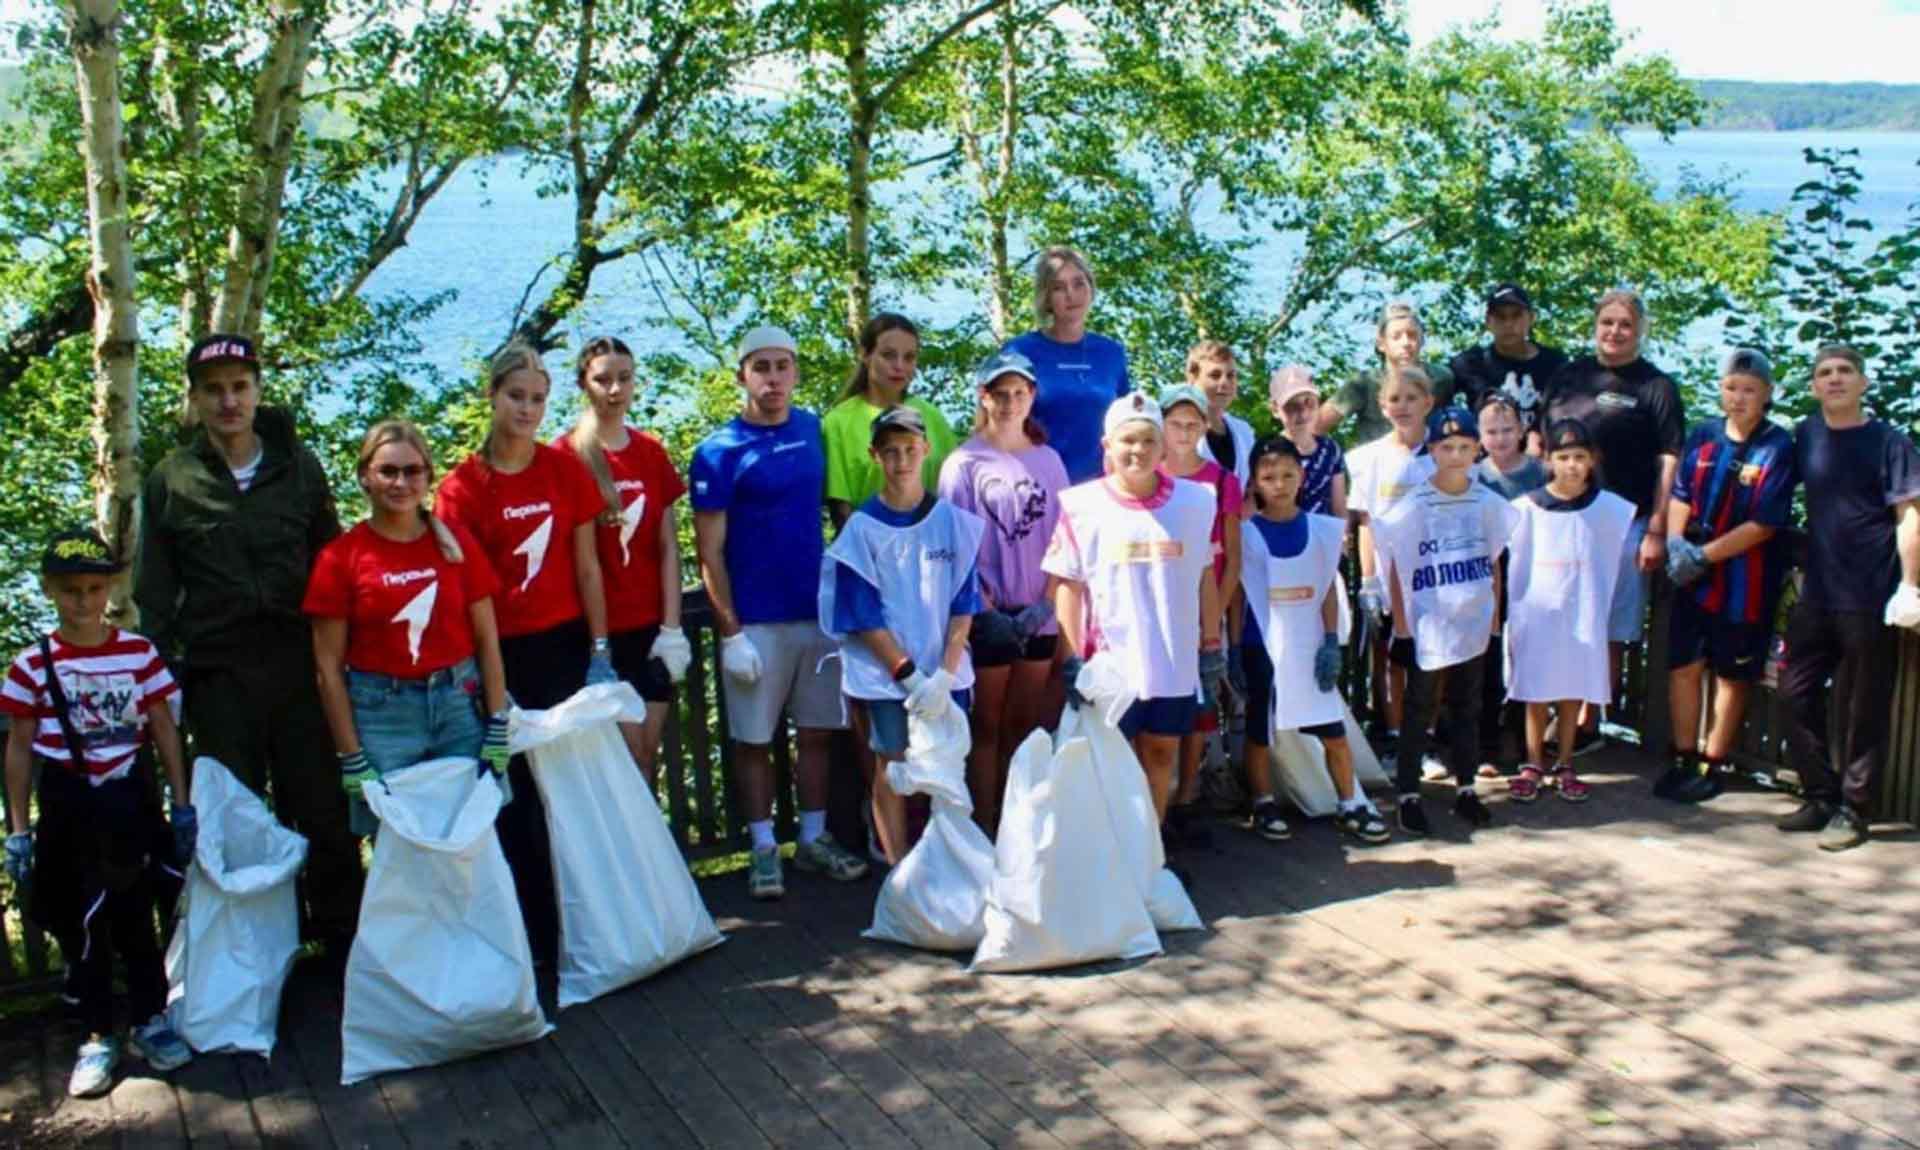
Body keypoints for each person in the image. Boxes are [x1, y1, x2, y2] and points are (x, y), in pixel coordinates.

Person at [135, 332, 362, 956]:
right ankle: (261, 954)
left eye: (239, 387)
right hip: (219, 675)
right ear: (197, 400)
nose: (228, 401)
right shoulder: (172, 481)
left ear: (258, 391)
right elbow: (154, 592)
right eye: (214, 390)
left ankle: (344, 945)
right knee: (236, 820)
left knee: (321, 812)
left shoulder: (298, 467)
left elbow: (336, 564)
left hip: (300, 668)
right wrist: (156, 686)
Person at [434, 341, 615, 960]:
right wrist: (491, 679)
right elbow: (467, 595)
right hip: (500, 652)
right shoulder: (462, 488)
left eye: (538, 399)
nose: (528, 410)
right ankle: (534, 935)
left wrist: (599, 648)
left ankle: (591, 921)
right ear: (492, 397)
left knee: (575, 785)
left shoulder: (565, 469)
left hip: (565, 648)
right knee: (515, 799)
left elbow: (588, 567)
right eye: (516, 397)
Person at [4, 529, 194, 1096]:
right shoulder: (31, 665)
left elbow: (163, 726)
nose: (82, 601)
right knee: (82, 923)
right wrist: (18, 830)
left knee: (137, 914)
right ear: (50, 591)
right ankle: (94, 1034)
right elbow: (19, 744)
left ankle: (149, 1020)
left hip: (128, 797)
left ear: (109, 588)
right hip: (68, 802)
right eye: (70, 590)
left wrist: (180, 803)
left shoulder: (137, 651)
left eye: (93, 588)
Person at [691, 325, 867, 899]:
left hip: (814, 613)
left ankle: (812, 839)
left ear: (795, 372)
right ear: (743, 374)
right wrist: (730, 631)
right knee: (752, 739)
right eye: (761, 367)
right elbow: (708, 551)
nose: (773, 378)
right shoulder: (719, 451)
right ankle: (764, 847)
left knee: (816, 732)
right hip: (756, 622)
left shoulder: (814, 430)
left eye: (783, 366)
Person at [303, 422, 511, 836]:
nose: (401, 482)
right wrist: (351, 756)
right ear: (365, 476)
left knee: (473, 844)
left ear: (428, 476)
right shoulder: (340, 558)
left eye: (412, 471)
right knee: (401, 853)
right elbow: (328, 669)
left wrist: (499, 723)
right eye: (388, 471)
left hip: (458, 709)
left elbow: (488, 641)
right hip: (383, 719)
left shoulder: (457, 545)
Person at [1045, 394, 1224, 824]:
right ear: (1107, 445)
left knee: (1161, 753)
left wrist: (1211, 643)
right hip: (1111, 663)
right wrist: (1070, 658)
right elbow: (1067, 585)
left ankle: (1151, 853)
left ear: (1163, 448)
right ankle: (1115, 857)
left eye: (1148, 440)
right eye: (1128, 440)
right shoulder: (1082, 506)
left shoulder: (1197, 501)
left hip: (1172, 657)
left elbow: (1204, 574)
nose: (1138, 450)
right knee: (1112, 761)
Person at [1776, 345, 1920, 851]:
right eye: (1824, 373)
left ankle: (1854, 812)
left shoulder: (1889, 442)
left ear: (1863, 382)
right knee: (1793, 690)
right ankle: (1819, 794)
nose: (1834, 380)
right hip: (1816, 590)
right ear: (1814, 387)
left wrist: (1910, 585)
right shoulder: (1807, 436)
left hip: (1871, 593)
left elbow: (1909, 515)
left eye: (1844, 372)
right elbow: (1772, 493)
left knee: (1865, 706)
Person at [825, 407, 985, 861]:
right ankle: (900, 873)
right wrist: (911, 677)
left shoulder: (954, 523)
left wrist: (943, 677)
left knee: (948, 765)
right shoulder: (861, 529)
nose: (902, 460)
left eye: (910, 449)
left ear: (926, 450)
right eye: (891, 451)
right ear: (875, 456)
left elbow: (963, 606)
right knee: (891, 764)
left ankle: (952, 867)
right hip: (888, 677)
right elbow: (864, 616)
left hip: (945, 674)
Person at [1544, 288, 1686, 754]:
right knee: (1558, 615)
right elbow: (1538, 445)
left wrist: (1659, 528)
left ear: (1640, 330)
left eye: (1625, 324)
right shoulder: (1569, 377)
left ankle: (1589, 722)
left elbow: (1669, 460)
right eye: (1607, 322)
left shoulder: (1656, 387)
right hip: (1562, 520)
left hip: (1626, 522)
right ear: (1595, 326)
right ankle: (1555, 713)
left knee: (1611, 626)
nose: (1615, 332)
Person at [937, 350, 1069, 837]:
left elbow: (1064, 536)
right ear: (983, 397)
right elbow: (957, 545)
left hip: (1038, 612)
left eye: (1020, 392)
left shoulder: (1048, 460)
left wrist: (1048, 601)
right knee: (986, 726)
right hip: (986, 614)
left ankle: (1020, 829)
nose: (1011, 402)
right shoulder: (963, 463)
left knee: (1025, 724)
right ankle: (984, 827)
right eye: (1001, 393)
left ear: (1031, 396)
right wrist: (985, 609)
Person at [1657, 350, 1797, 804]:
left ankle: (1711, 762)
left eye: (1749, 390)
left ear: (1767, 395)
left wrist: (1703, 555)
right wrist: (1677, 542)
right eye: (1732, 387)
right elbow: (1679, 494)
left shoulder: (1778, 446)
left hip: (1745, 579)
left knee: (1731, 675)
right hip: (1690, 575)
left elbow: (1765, 522)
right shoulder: (1702, 435)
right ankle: (1682, 757)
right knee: (1683, 666)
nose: (1738, 397)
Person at [1371, 406, 1519, 836]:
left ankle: (1467, 787)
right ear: (1432, 449)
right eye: (1446, 446)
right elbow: (1396, 561)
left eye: (1464, 447)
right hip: (1430, 620)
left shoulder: (1488, 502)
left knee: (1468, 706)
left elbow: (1493, 559)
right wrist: (1401, 623)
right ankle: (1408, 793)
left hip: (1472, 618)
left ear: (1477, 448)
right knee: (1420, 707)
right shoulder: (1414, 503)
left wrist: (1493, 616)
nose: (1456, 455)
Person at [1237, 440, 1390, 844]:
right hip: (1261, 647)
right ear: (1254, 482)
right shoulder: (1246, 534)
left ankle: (1349, 804)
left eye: (1288, 475)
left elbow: (1325, 590)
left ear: (1302, 477)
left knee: (1332, 731)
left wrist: (1329, 641)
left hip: (1309, 648)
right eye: (1269, 477)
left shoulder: (1323, 530)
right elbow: (1238, 596)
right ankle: (1263, 801)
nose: (1280, 484)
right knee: (1260, 729)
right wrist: (1234, 648)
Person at [558, 336, 693, 783]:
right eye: (602, 380)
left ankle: (647, 853)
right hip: (597, 633)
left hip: (650, 630)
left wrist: (672, 628)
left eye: (624, 379)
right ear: (583, 384)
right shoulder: (563, 457)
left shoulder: (650, 452)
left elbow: (668, 545)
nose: (614, 390)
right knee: (621, 761)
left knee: (645, 758)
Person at [1503, 420, 1635, 803]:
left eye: (1579, 457)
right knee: (1535, 686)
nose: (1572, 465)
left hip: (1583, 611)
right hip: (1537, 611)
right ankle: (1532, 760)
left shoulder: (1610, 508)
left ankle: (1565, 760)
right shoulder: (1524, 509)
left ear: (1592, 461)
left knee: (1574, 683)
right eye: (1563, 457)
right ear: (1548, 460)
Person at [1158, 383, 1243, 846]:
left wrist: (1217, 618)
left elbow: (1231, 554)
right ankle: (1158, 800)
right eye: (1176, 423)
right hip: (1158, 609)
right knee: (1156, 706)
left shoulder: (1220, 480)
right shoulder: (1148, 474)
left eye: (1194, 424)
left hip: (1205, 613)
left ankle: (1188, 799)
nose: (1185, 432)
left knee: (1199, 708)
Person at [1347, 365, 1437, 744]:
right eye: (1394, 399)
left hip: (1434, 575)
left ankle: (1427, 737)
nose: (1403, 406)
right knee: (1390, 660)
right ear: (1382, 406)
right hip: (1386, 577)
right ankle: (1397, 735)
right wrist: (1368, 580)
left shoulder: (1445, 452)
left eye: (1411, 398)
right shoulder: (1368, 458)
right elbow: (1366, 520)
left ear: (1428, 402)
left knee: (1433, 659)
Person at [1004, 246, 1131, 483]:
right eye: (1059, 288)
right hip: (1036, 488)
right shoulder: (1020, 352)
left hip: (1102, 491)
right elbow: (999, 425)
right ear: (1046, 298)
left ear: (1091, 288)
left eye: (1079, 284)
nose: (1071, 295)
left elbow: (1126, 425)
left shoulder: (1111, 353)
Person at [823, 314, 959, 529]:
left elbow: (954, 494)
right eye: (888, 355)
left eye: (909, 357)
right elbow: (841, 509)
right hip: (869, 549)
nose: (899, 366)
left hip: (930, 550)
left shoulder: (932, 416)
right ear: (865, 355)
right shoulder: (837, 422)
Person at [1473, 394, 1547, 773]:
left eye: (1507, 430)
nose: (1500, 438)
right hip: (1486, 574)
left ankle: (1520, 742)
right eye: (1491, 431)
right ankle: (1485, 745)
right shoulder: (1474, 474)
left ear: (1521, 431)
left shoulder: (1540, 473)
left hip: (1532, 571)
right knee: (1487, 656)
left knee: (1525, 656)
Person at [1448, 283, 1569, 450]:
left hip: (1541, 463)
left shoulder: (1556, 363)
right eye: (1500, 317)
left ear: (1531, 318)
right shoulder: (1470, 363)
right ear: (1488, 321)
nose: (1508, 324)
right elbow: (1428, 394)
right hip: (1486, 465)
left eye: (1516, 316)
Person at [1318, 302, 1455, 443]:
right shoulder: (1365, 383)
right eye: (1396, 337)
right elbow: (1316, 426)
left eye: (1412, 335)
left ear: (1422, 339)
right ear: (1381, 344)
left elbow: (1454, 428)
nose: (1406, 343)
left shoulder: (1440, 378)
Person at [1269, 365, 1345, 518]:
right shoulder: (1268, 452)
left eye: (1309, 403)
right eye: (1292, 406)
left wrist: (1342, 536)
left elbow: (1339, 507)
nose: (1303, 413)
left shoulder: (1331, 449)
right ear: (1275, 409)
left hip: (1324, 534)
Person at [1189, 341, 1255, 489]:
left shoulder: (1245, 432)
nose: (1225, 382)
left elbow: (1253, 488)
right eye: (1215, 375)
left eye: (1231, 375)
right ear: (1192, 379)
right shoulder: (1173, 429)